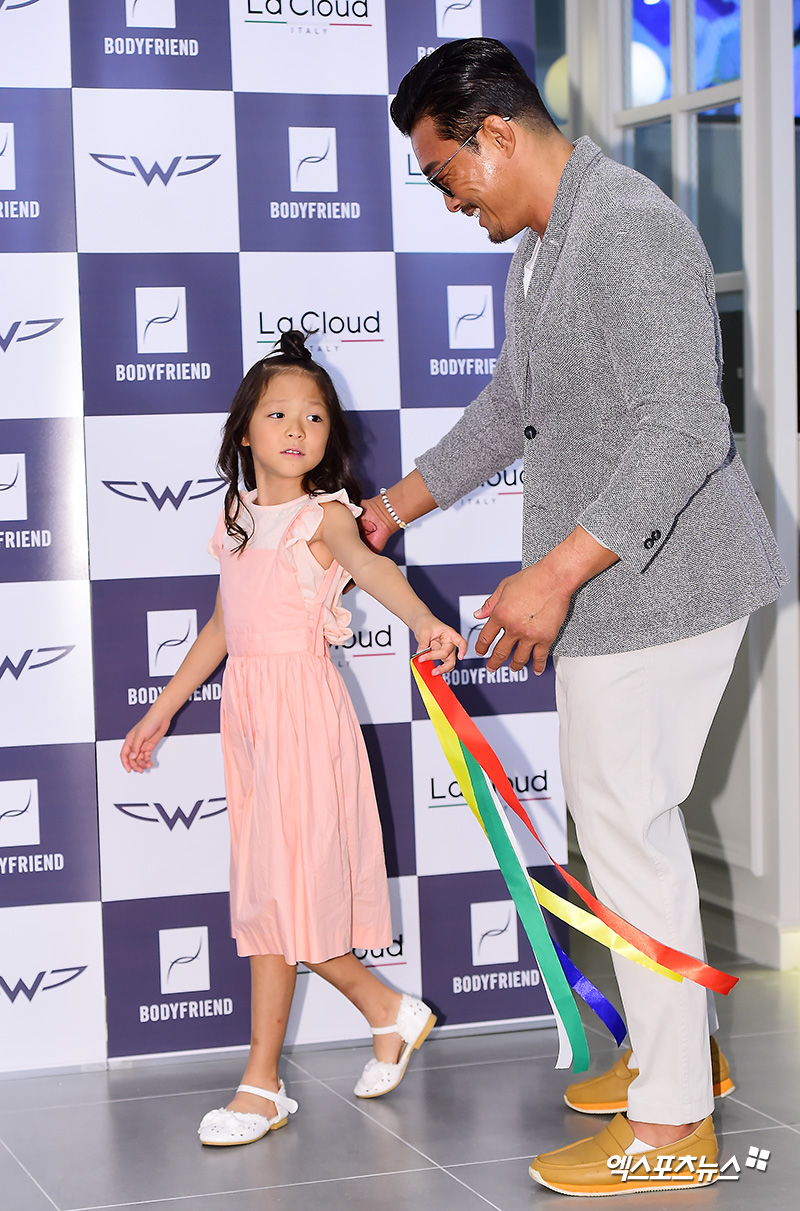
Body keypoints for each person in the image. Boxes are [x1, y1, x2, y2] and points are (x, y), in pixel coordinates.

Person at [360, 38, 787, 1197]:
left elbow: (683, 429)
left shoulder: (628, 228)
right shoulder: (549, 240)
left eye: (446, 174)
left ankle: (671, 1127)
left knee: (628, 839)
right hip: (615, 595)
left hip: (663, 591)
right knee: (621, 838)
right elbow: (515, 401)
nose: (449, 200)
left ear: (494, 134)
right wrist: (392, 506)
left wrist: (551, 573)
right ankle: (674, 1055)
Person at [120, 330, 466, 1147]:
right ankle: (386, 1011)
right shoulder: (239, 515)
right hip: (249, 719)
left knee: (279, 903)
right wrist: (164, 707)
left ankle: (263, 1081)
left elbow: (374, 567)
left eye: (313, 416)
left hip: (304, 719)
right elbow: (222, 624)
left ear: (326, 436)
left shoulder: (324, 517)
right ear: (246, 430)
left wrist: (422, 620)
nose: (296, 428)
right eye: (278, 413)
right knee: (272, 900)